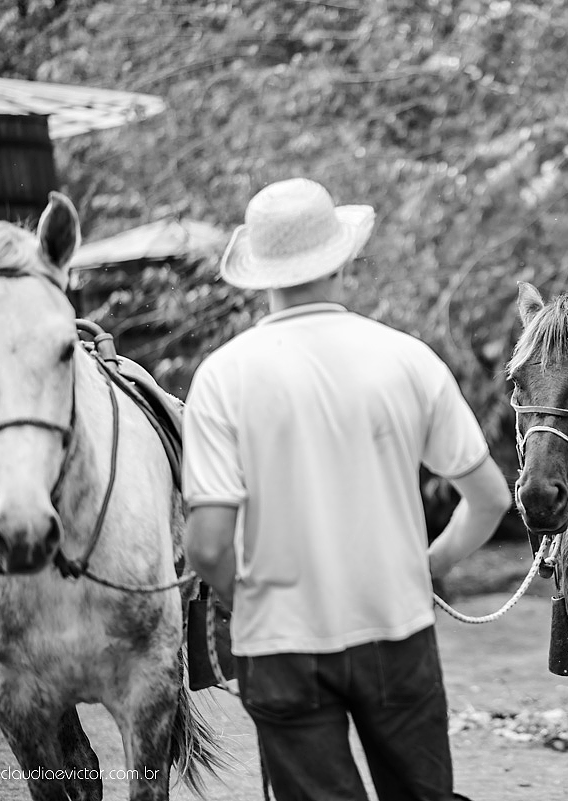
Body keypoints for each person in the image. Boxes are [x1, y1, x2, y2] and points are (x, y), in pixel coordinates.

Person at [182, 178, 510, 801]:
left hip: (280, 642)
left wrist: (244, 603)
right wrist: (427, 565)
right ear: (341, 258)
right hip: (396, 627)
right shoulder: (407, 359)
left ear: (260, 272)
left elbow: (207, 548)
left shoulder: (222, 377)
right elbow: (490, 499)